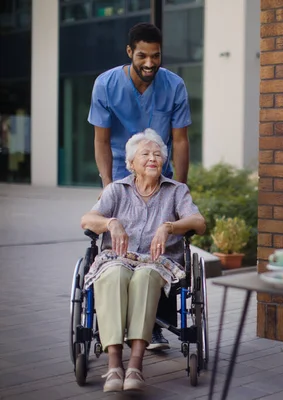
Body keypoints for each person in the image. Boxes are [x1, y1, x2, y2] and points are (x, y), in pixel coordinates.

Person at [88, 22, 192, 350]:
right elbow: (101, 139)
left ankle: (156, 326)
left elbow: (180, 140)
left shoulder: (174, 86)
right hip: (121, 171)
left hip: (159, 173)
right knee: (122, 243)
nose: (150, 63)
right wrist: (107, 185)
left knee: (159, 245)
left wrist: (180, 189)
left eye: (156, 56)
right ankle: (113, 321)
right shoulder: (106, 85)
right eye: (143, 55)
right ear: (130, 52)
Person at [81, 129, 205, 392]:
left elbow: (199, 222)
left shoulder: (176, 191)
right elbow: (87, 220)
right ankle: (115, 366)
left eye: (158, 154)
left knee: (145, 276)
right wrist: (110, 222)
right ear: (131, 163)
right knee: (114, 274)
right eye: (145, 154)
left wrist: (169, 226)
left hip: (158, 262)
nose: (153, 158)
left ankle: (135, 365)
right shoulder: (116, 190)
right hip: (118, 259)